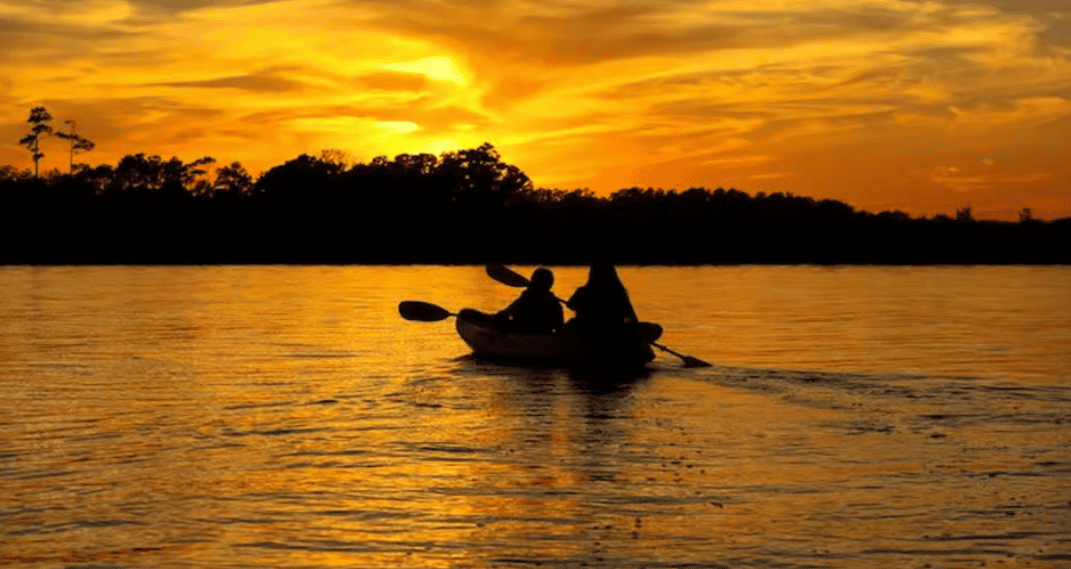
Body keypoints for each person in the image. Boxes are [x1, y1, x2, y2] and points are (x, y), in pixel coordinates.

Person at [565, 262, 638, 336]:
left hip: (586, 334)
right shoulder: (619, 293)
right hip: (614, 333)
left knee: (571, 323)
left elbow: (570, 305)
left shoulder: (582, 292)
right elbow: (632, 317)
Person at [495, 267, 564, 334]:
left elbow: (507, 313)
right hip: (543, 335)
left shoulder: (526, 297)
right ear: (550, 284)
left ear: (532, 281)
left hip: (521, 333)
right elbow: (559, 327)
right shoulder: (555, 303)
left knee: (501, 319)